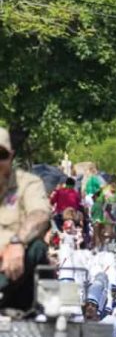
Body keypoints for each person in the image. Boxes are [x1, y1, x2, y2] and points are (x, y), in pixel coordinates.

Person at [0, 127, 51, 311]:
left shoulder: (28, 183)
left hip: (19, 275)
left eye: (1, 155)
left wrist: (16, 242)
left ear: (11, 157)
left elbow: (40, 215)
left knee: (36, 247)